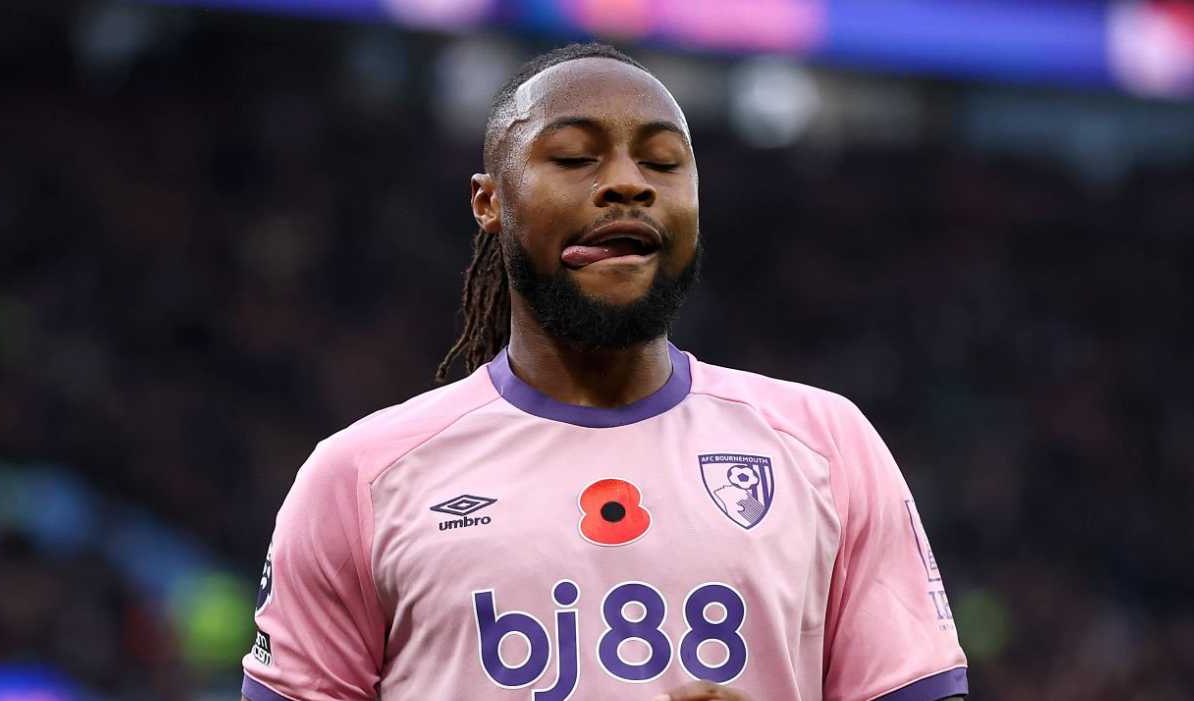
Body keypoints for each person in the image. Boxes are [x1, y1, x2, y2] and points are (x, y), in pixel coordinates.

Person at [240, 43, 968, 701]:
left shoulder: (827, 446)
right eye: (575, 157)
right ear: (489, 201)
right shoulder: (358, 479)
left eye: (661, 161)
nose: (628, 183)